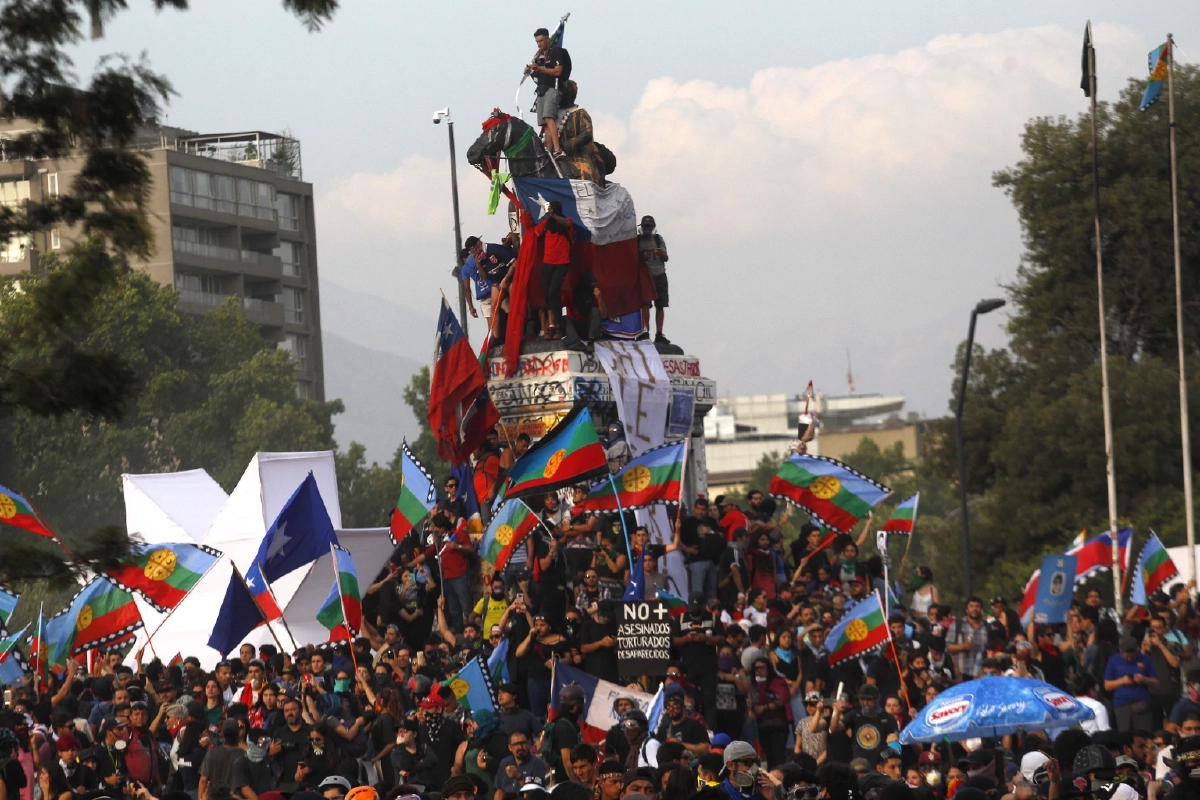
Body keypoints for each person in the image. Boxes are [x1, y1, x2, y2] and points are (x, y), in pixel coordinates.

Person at [533, 201, 575, 340]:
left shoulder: (566, 221)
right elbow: (535, 234)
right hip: (547, 263)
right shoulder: (547, 223)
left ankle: (560, 325)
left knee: (554, 292)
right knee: (547, 294)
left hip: (561, 263)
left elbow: (566, 224)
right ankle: (551, 325)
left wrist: (553, 215)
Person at [525, 27, 568, 157]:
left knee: (549, 117)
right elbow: (537, 72)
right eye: (537, 41)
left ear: (548, 39)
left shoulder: (556, 52)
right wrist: (530, 70)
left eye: (541, 41)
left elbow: (557, 71)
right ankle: (549, 152)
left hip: (553, 88)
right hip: (541, 90)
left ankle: (557, 149)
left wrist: (540, 68)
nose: (539, 44)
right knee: (544, 123)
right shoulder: (538, 56)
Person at [1105, 635, 1159, 731]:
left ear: (1136, 649)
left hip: (1141, 704)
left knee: (1144, 735)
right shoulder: (1113, 660)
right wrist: (1122, 681)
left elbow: (1155, 683)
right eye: (1127, 652)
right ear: (1121, 650)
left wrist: (1144, 679)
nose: (1129, 655)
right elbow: (1107, 685)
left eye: (1132, 652)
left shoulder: (1145, 659)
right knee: (1125, 736)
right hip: (1122, 705)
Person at [637, 216, 670, 344]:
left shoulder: (658, 239)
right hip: (646, 276)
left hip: (660, 275)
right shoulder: (637, 240)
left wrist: (660, 253)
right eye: (645, 227)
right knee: (645, 305)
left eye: (649, 227)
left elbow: (666, 257)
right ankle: (646, 332)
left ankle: (659, 333)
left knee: (660, 305)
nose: (647, 229)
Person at [493, 731, 548, 800]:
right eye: (516, 744)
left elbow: (537, 793)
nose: (520, 747)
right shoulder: (505, 762)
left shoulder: (537, 763)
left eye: (523, 743)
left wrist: (519, 777)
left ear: (528, 745)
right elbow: (499, 791)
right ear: (510, 747)